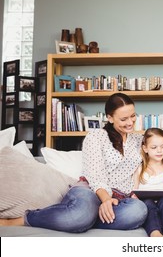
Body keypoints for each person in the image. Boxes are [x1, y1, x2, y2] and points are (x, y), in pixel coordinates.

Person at [0, 93, 147, 232]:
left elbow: (161, 147)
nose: (130, 122)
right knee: (80, 215)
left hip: (119, 200)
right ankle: (26, 219)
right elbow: (96, 177)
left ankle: (85, 221)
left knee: (138, 211)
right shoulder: (96, 137)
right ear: (110, 118)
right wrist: (106, 200)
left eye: (133, 116)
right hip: (90, 191)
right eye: (124, 119)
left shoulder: (138, 141)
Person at [133, 127, 163, 237]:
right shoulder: (140, 168)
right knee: (148, 203)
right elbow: (134, 191)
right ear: (145, 148)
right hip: (146, 204)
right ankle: (155, 234)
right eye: (154, 147)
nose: (159, 151)